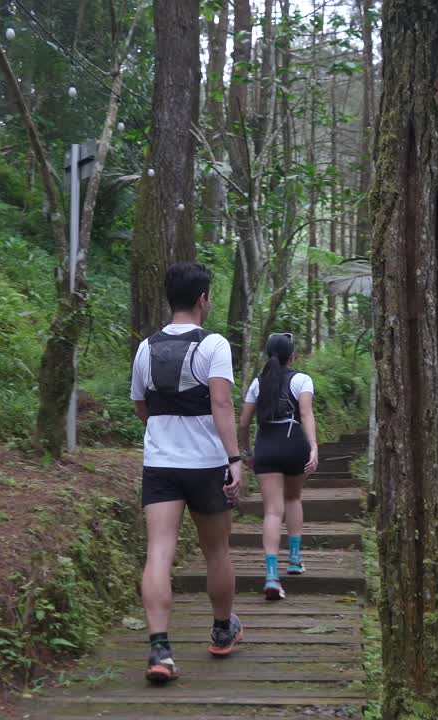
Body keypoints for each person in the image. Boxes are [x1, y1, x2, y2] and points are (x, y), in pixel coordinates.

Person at [129, 261, 245, 684]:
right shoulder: (214, 345)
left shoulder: (146, 347)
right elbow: (221, 404)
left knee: (159, 551)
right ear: (202, 299)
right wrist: (234, 459)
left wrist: (164, 433)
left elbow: (141, 405)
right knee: (217, 551)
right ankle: (221, 630)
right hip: (206, 464)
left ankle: (160, 649)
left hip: (160, 465)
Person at [238, 332, 318, 601]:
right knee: (294, 498)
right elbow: (306, 414)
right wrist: (314, 447)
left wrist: (247, 451)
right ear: (292, 356)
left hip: (267, 448)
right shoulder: (302, 380)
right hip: (294, 443)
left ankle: (271, 575)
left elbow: (243, 423)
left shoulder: (258, 384)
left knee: (272, 511)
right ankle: (294, 560)